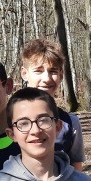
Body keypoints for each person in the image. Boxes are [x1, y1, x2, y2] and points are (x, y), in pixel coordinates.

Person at [20, 39, 85, 170]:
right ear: (25, 74)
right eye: (38, 71)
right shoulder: (9, 120)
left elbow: (76, 167)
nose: (47, 78)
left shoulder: (70, 122)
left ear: (61, 75)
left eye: (53, 71)